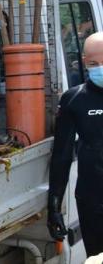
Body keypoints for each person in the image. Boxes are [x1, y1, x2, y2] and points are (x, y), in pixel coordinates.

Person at [48, 32, 103, 257]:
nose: (100, 67)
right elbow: (61, 156)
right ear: (84, 62)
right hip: (92, 199)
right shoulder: (74, 99)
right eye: (93, 63)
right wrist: (54, 206)